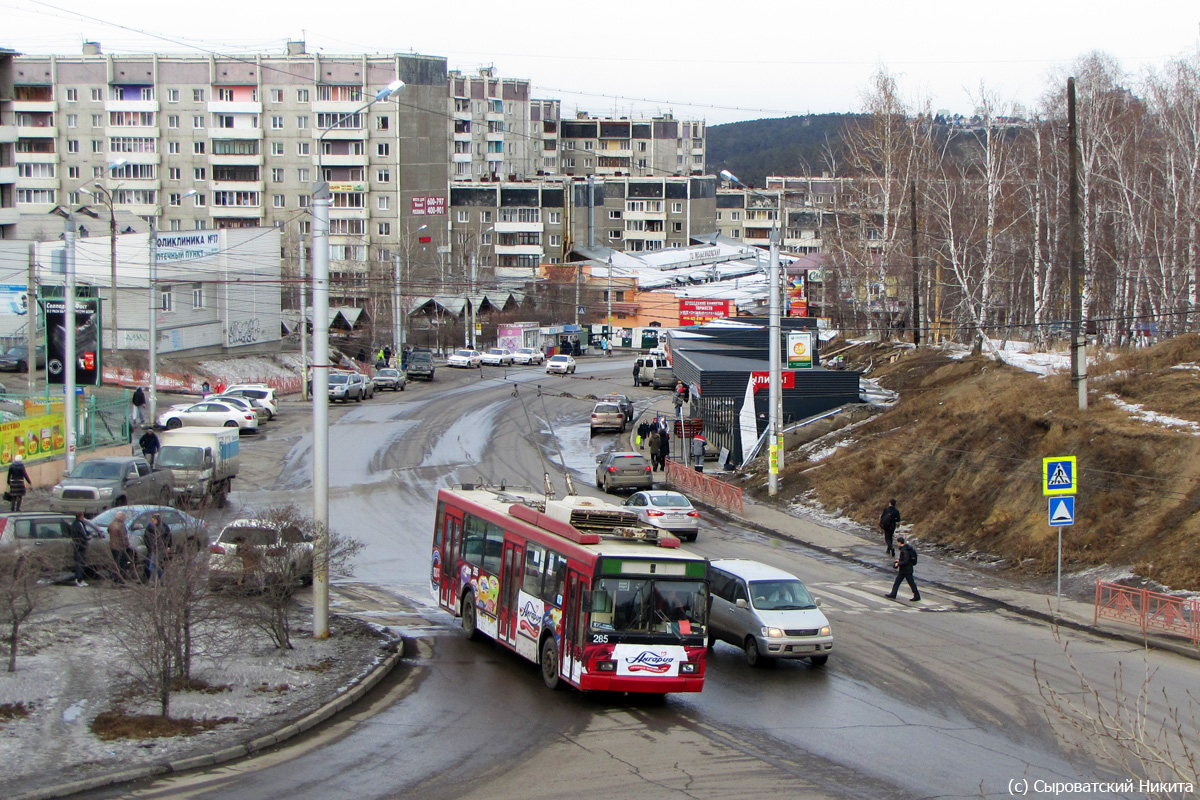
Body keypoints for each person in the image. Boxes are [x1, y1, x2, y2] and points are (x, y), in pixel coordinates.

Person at [885, 535, 921, 602]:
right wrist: (899, 560)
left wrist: (898, 564)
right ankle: (893, 594)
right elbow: (905, 559)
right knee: (897, 582)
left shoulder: (904, 550)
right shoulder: (906, 549)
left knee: (911, 583)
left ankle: (917, 596)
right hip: (904, 570)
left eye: (897, 542)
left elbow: (905, 561)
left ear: (899, 542)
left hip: (906, 570)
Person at [144, 512, 172, 582]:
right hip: (153, 549)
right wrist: (149, 546)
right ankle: (159, 580)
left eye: (154, 519)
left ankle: (155, 581)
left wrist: (168, 547)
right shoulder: (150, 527)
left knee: (154, 565)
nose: (153, 521)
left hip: (160, 549)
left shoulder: (164, 527)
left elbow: (168, 537)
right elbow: (146, 537)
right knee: (155, 565)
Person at [107, 510, 133, 581]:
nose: (124, 518)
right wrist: (127, 545)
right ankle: (120, 579)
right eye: (124, 517)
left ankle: (115, 577)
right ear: (121, 517)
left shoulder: (112, 524)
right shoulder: (121, 525)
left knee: (116, 563)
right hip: (120, 547)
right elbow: (123, 536)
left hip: (112, 546)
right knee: (122, 564)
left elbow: (108, 531)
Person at [69, 511, 89, 587]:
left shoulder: (75, 524)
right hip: (80, 546)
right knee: (80, 563)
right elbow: (83, 534)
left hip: (78, 545)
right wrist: (87, 538)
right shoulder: (78, 524)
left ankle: (80, 579)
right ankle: (79, 579)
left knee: (80, 563)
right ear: (80, 516)